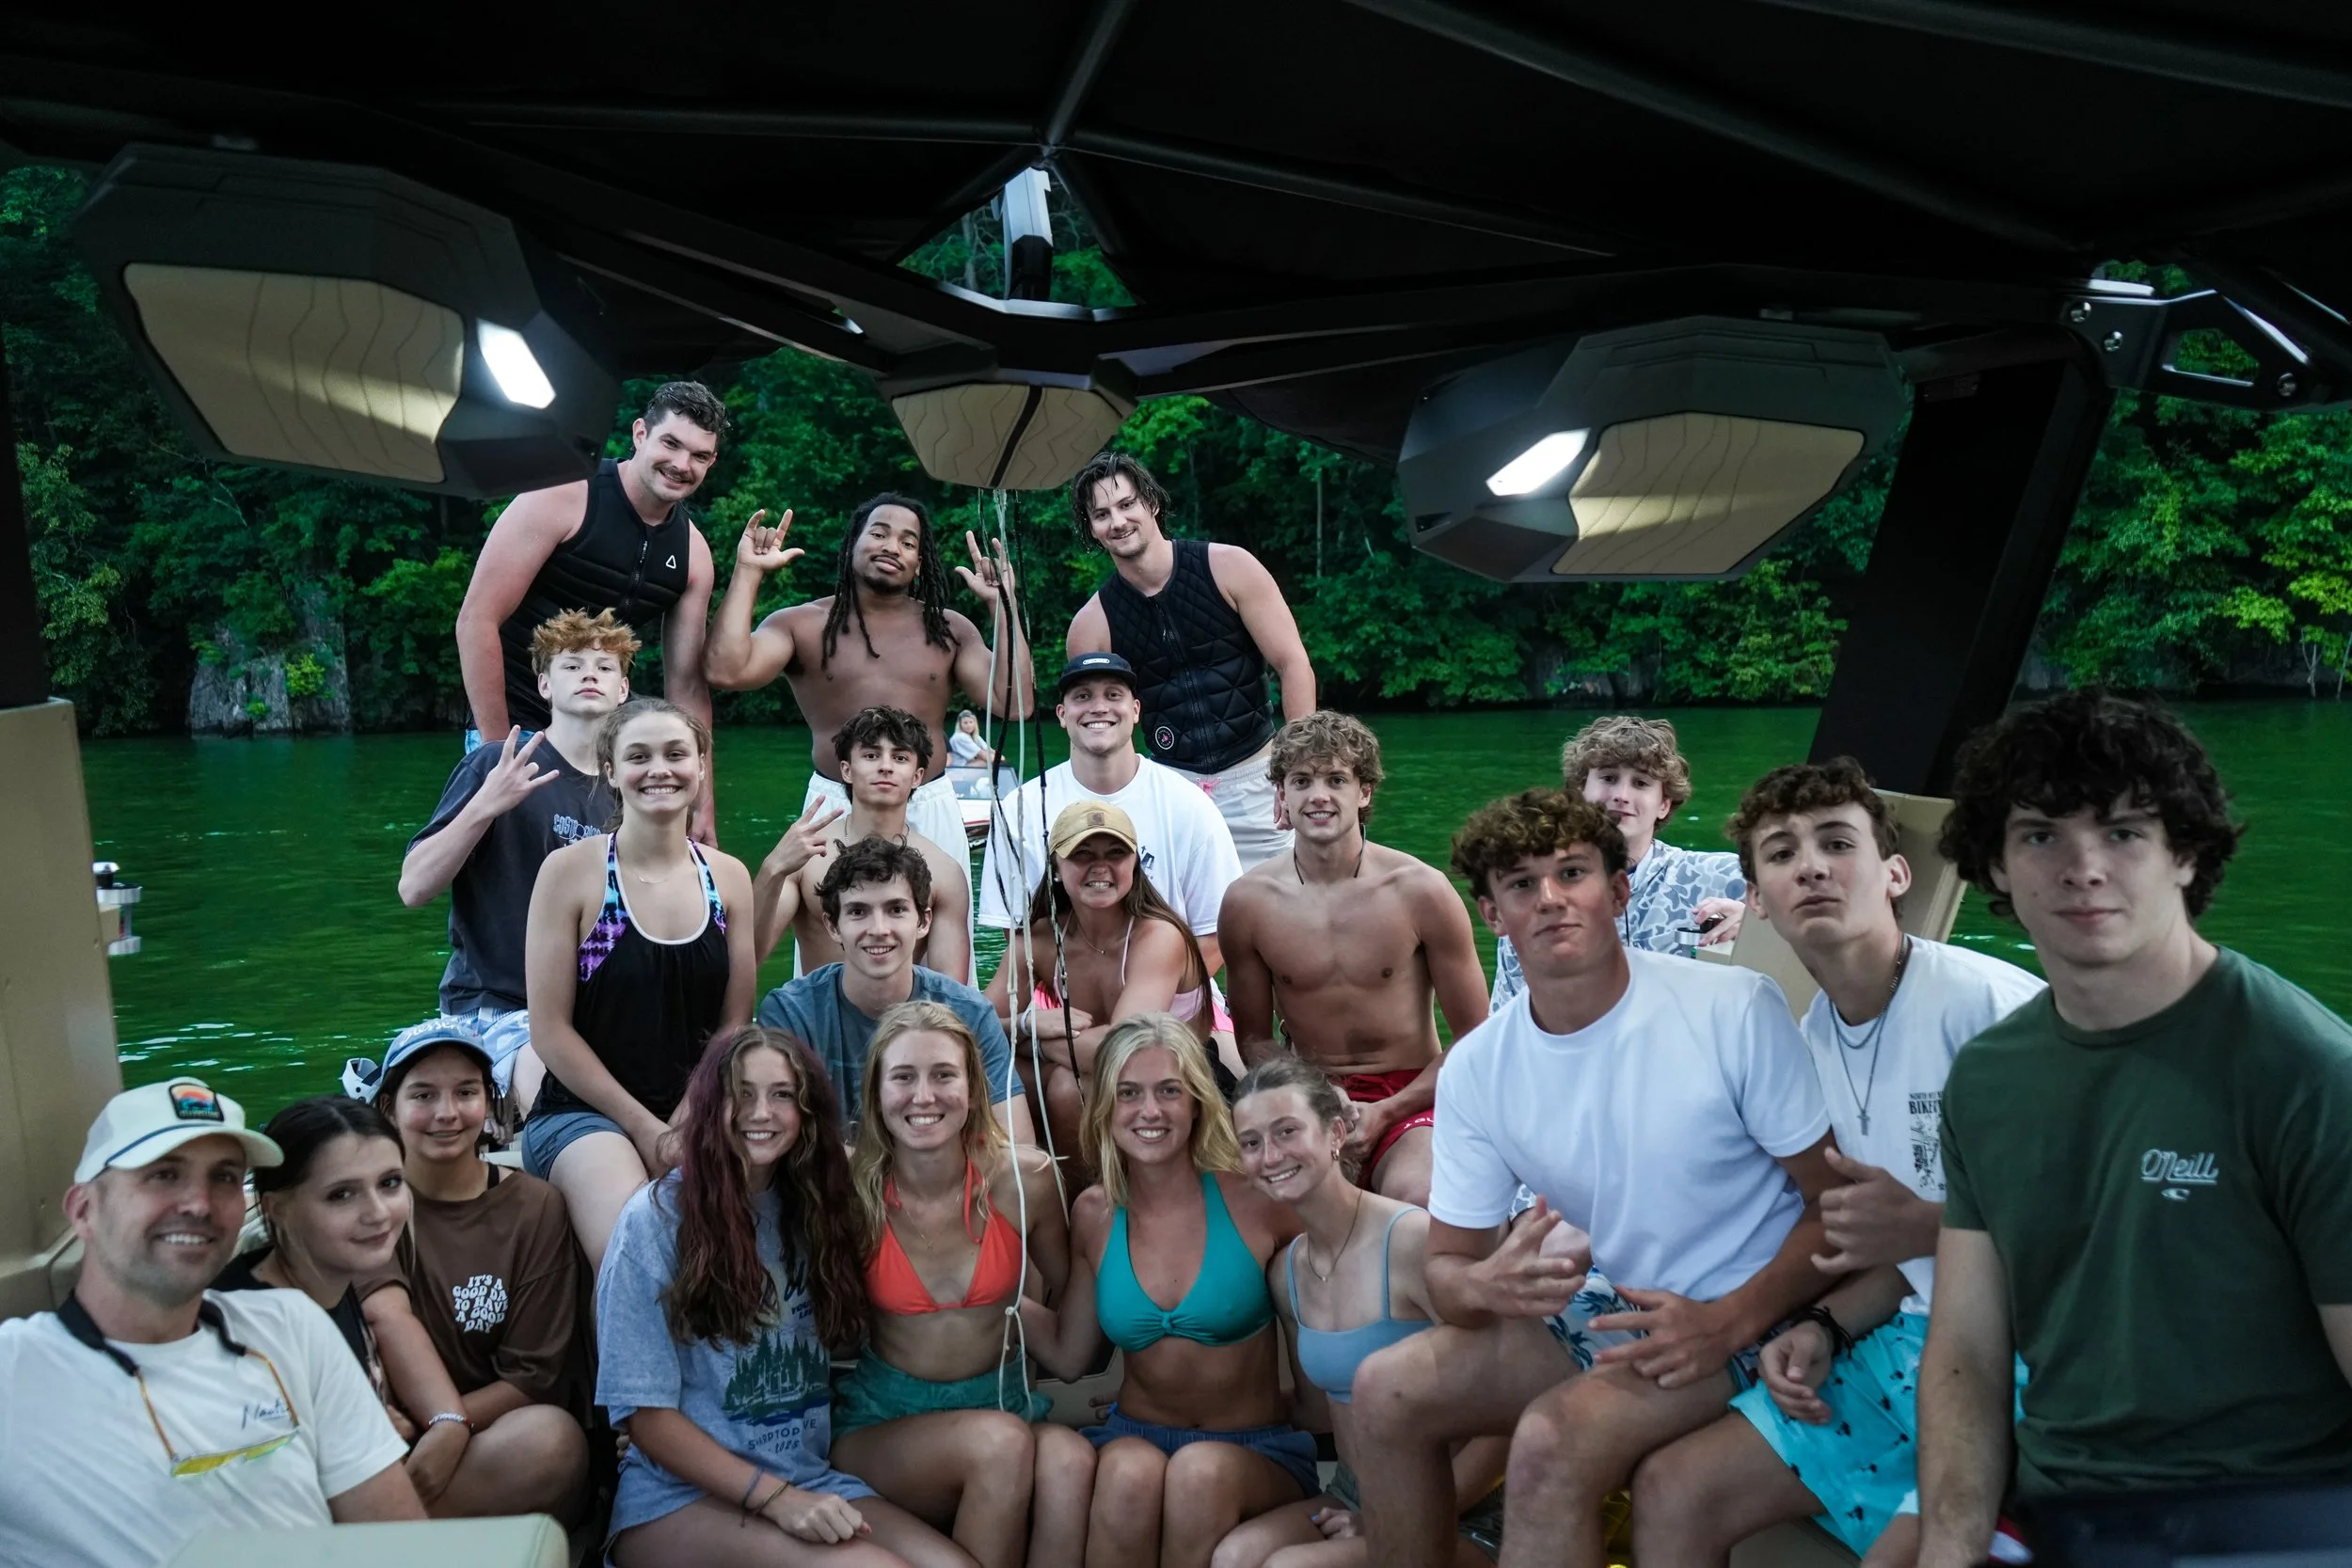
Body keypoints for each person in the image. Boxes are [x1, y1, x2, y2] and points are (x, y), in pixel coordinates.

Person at [1349, 789, 1840, 1568]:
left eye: (1572, 873)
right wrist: (1485, 1285)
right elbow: (1449, 1271)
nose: (1550, 898)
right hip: (1624, 1304)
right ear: (1492, 913)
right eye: (1521, 884)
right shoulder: (1478, 1067)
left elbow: (1835, 1206)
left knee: (1550, 1442)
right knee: (1384, 1390)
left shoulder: (1731, 1007)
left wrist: (1728, 1321)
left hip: (1766, 1309)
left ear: (1617, 891)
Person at [1915, 692, 2352, 1568]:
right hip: (2068, 1509)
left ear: (2184, 853)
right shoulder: (1989, 1077)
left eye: (2123, 832)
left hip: (2272, 1518)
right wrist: (1949, 1550)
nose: (2083, 867)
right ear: (1996, 864)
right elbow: (1967, 1349)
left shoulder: (2307, 1071)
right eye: (2041, 835)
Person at [1629, 759, 2043, 1568]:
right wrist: (1826, 1323)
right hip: (1916, 1336)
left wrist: (1923, 1225)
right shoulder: (1813, 1040)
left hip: (2039, 1359)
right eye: (1782, 853)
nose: (1812, 866)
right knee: (1673, 1489)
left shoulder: (1989, 1011)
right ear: (1757, 899)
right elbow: (1902, 1254)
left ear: (1895, 874)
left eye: (1838, 843)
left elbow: (2106, 1230)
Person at [0, 1079, 421, 1568]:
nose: (199, 1204)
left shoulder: (294, 1327)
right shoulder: (15, 1374)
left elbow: (400, 1548)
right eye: (163, 1175)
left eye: (223, 1177)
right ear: (84, 1210)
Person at [597, 1024, 967, 1568]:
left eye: (782, 1095)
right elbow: (645, 1419)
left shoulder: (814, 1204)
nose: (761, 1113)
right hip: (677, 1498)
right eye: (741, 1094)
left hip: (806, 1475)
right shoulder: (654, 1221)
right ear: (710, 1105)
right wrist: (778, 1501)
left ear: (807, 1111)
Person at [1021, 1015, 1315, 1568]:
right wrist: (994, 1295)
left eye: (1169, 1091)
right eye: (1128, 1093)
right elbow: (1068, 1355)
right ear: (1105, 1108)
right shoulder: (1095, 1213)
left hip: (1253, 1448)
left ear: (1198, 1102)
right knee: (1126, 1473)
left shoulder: (1258, 1200)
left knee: (1197, 1475)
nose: (1149, 1111)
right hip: (1136, 1435)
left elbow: (1325, 1342)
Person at [833, 1002, 1096, 1568]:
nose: (924, 1096)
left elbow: (1073, 1335)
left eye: (943, 1075)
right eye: (903, 1077)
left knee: (1071, 1461)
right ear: (876, 1093)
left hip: (1001, 1402)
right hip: (884, 1423)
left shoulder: (1025, 1180)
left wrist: (1103, 1230)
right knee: (998, 1445)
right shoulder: (849, 1191)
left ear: (974, 1089)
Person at [1218, 1056, 1509, 1568]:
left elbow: (1508, 1411)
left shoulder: (1413, 1241)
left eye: (1287, 1131)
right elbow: (1312, 1411)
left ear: (1335, 1133)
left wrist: (1404, 1516)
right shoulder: (1288, 1272)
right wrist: (1181, 1406)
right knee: (1235, 1557)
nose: (1270, 1155)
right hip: (1354, 1494)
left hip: (1459, 1505)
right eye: (1251, 1142)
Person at [704, 491, 1033, 920]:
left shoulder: (948, 629)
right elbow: (726, 670)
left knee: (941, 940)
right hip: (834, 805)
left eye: (908, 542)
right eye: (878, 534)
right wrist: (748, 572)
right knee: (830, 939)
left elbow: (1015, 703)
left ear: (919, 563)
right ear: (853, 543)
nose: (892, 547)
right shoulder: (801, 624)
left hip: (928, 802)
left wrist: (1003, 603)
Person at [521, 697, 757, 1269]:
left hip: (698, 1106)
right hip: (585, 1113)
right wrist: (646, 1129)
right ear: (611, 771)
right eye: (638, 756)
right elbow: (550, 1031)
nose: (660, 770)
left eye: (676, 754)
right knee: (637, 1248)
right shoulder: (570, 872)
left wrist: (686, 1119)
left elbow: (733, 1024)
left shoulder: (727, 878)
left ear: (700, 767)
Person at [1219, 712, 1487, 1207]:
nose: (1318, 795)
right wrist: (1315, 1096)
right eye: (1302, 781)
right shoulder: (1247, 903)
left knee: (1418, 1193)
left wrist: (1389, 1110)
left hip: (1412, 1092)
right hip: (1307, 1093)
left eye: (1336, 780)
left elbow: (1478, 1039)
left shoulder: (1421, 891)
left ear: (1364, 792)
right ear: (1281, 796)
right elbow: (1254, 1040)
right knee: (1250, 1205)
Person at [456, 382, 720, 836]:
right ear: (640, 434)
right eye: (671, 444)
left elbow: (688, 687)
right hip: (516, 729)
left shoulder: (694, 555)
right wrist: (497, 754)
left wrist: (703, 801)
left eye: (699, 455)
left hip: (607, 750)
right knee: (510, 872)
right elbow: (476, 620)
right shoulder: (562, 495)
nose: (682, 465)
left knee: (611, 877)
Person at [399, 609, 634, 1107]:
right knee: (558, 1093)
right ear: (544, 685)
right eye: (572, 665)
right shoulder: (498, 763)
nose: (589, 674)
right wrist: (485, 805)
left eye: (604, 666)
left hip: (589, 1013)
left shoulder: (627, 792)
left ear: (623, 690)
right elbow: (413, 888)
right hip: (496, 1007)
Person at [361, 1020, 595, 1514]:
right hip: (388, 1433)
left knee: (552, 1441)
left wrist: (448, 1427)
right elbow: (380, 1321)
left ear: (488, 1104)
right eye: (423, 1095)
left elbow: (532, 1377)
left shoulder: (535, 1208)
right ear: (388, 1108)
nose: (446, 1113)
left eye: (466, 1092)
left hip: (489, 1438)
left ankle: (372, 1519)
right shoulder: (372, 1206)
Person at [1064, 451, 1316, 868]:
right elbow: (1096, 730)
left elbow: (1293, 663)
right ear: (1091, 528)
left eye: (1127, 504)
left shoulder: (1231, 567)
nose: (1118, 521)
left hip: (1259, 778)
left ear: (1151, 502)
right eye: (1102, 514)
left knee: (1290, 903)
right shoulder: (1091, 624)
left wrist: (1297, 772)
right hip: (1170, 790)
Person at [986, 800, 1222, 1170]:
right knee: (996, 1072)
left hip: (1175, 1073)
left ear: (1134, 865)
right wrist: (1025, 1023)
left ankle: (1083, 1198)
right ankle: (1027, 1186)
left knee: (1067, 1087)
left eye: (1116, 853)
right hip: (1089, 1070)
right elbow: (970, 1028)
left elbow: (1122, 1049)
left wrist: (1035, 1042)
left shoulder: (1159, 936)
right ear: (1056, 868)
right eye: (1082, 854)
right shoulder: (1040, 939)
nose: (1101, 867)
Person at [978, 652, 1242, 974]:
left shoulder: (1190, 804)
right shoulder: (1018, 809)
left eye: (1113, 695)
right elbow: (1019, 933)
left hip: (1173, 992)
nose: (1099, 707)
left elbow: (1214, 935)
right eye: (1083, 696)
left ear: (1136, 710)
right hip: (1062, 989)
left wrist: (1152, 995)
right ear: (1062, 714)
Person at [756, 836, 1029, 1142]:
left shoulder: (970, 1013)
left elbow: (1019, 1149)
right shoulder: (791, 1015)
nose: (878, 929)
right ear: (833, 926)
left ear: (923, 921)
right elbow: (777, 1140)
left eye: (896, 909)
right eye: (858, 912)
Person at [1489, 715, 1747, 1011]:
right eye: (1609, 778)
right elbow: (1506, 1017)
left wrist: (1760, 927)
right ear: (1580, 792)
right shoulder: (1536, 896)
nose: (1622, 796)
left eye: (1640, 783)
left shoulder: (1723, 876)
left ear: (1664, 804)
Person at [755, 706, 973, 984]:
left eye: (900, 758)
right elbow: (747, 958)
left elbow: (951, 991)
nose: (886, 766)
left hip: (903, 1012)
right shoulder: (807, 856)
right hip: (818, 1010)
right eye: (871, 755)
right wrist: (773, 867)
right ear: (846, 770)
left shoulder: (943, 871)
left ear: (917, 776)